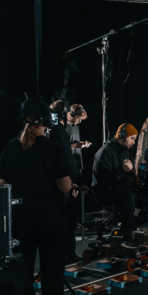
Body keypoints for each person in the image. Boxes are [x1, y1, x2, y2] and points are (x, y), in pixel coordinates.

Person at [0, 98, 73, 295]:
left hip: (19, 219)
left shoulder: (11, 147)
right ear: (47, 122)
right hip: (50, 219)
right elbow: (65, 186)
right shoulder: (54, 147)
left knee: (22, 278)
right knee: (52, 277)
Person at [91, 123, 145, 246]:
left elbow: (129, 177)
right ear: (122, 136)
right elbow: (105, 181)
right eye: (132, 138)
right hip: (104, 192)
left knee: (146, 195)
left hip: (119, 188)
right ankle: (127, 237)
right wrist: (123, 170)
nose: (133, 142)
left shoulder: (126, 152)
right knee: (128, 196)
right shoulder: (104, 152)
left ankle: (133, 228)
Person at [51, 101, 91, 262]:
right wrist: (77, 145)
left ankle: (68, 252)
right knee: (68, 217)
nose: (79, 122)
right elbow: (63, 149)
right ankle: (67, 253)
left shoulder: (74, 126)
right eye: (78, 119)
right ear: (70, 114)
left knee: (70, 216)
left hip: (73, 169)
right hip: (63, 173)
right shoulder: (58, 129)